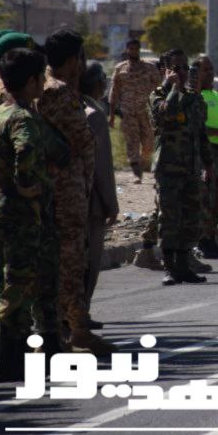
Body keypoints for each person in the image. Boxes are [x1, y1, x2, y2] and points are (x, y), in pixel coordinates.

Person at [0, 49, 60, 382]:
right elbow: (25, 150)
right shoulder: (23, 119)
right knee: (19, 287)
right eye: (41, 77)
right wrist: (28, 186)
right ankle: (10, 360)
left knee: (2, 287)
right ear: (30, 81)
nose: (44, 83)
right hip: (19, 215)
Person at [39, 29, 112, 356]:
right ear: (72, 61)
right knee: (70, 265)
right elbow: (83, 141)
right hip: (66, 194)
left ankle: (66, 331)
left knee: (61, 264)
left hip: (54, 192)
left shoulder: (40, 87)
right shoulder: (58, 92)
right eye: (80, 58)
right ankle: (71, 333)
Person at [0, 31, 35, 325]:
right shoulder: (5, 96)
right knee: (8, 270)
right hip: (6, 187)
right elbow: (20, 146)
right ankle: (2, 330)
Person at [151, 49, 214, 286]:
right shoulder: (158, 95)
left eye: (186, 68)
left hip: (191, 167)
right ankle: (169, 267)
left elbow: (201, 132)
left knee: (191, 218)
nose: (183, 73)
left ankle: (184, 264)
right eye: (176, 68)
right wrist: (173, 89)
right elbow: (163, 117)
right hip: (168, 168)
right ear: (165, 71)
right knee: (169, 219)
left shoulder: (194, 98)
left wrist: (209, 163)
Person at [79, 61, 118, 328]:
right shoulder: (93, 114)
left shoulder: (65, 107)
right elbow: (103, 166)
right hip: (89, 201)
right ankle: (80, 313)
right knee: (89, 261)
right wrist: (111, 204)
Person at [194, 56, 218, 261]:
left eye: (211, 69)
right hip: (205, 153)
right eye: (205, 70)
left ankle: (211, 237)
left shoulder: (217, 95)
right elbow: (199, 127)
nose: (209, 73)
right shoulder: (196, 97)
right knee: (206, 199)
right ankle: (203, 241)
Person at [109, 38, 161, 183]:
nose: (133, 51)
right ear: (127, 50)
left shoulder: (149, 68)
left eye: (136, 49)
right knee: (132, 142)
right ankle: (137, 173)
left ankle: (144, 165)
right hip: (128, 112)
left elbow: (159, 87)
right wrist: (112, 115)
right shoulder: (120, 68)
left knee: (149, 143)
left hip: (146, 112)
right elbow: (114, 92)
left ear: (139, 50)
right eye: (131, 49)